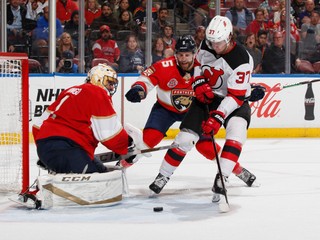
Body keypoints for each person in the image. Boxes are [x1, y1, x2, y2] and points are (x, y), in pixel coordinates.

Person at [124, 34, 260, 192]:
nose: (183, 59)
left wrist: (251, 91)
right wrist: (139, 90)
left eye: (187, 55)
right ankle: (123, 167)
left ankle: (237, 170)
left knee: (207, 147)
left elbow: (226, 86)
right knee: (148, 140)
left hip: (195, 109)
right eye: (180, 55)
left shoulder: (204, 66)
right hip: (165, 110)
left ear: (194, 54)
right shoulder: (164, 66)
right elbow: (147, 79)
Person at [33, 64, 135, 174]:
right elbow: (108, 134)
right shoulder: (97, 93)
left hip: (48, 148)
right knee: (99, 183)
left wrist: (46, 153)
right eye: (109, 83)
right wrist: (128, 143)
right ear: (97, 79)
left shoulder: (70, 90)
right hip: (68, 148)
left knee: (102, 172)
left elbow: (37, 126)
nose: (111, 87)